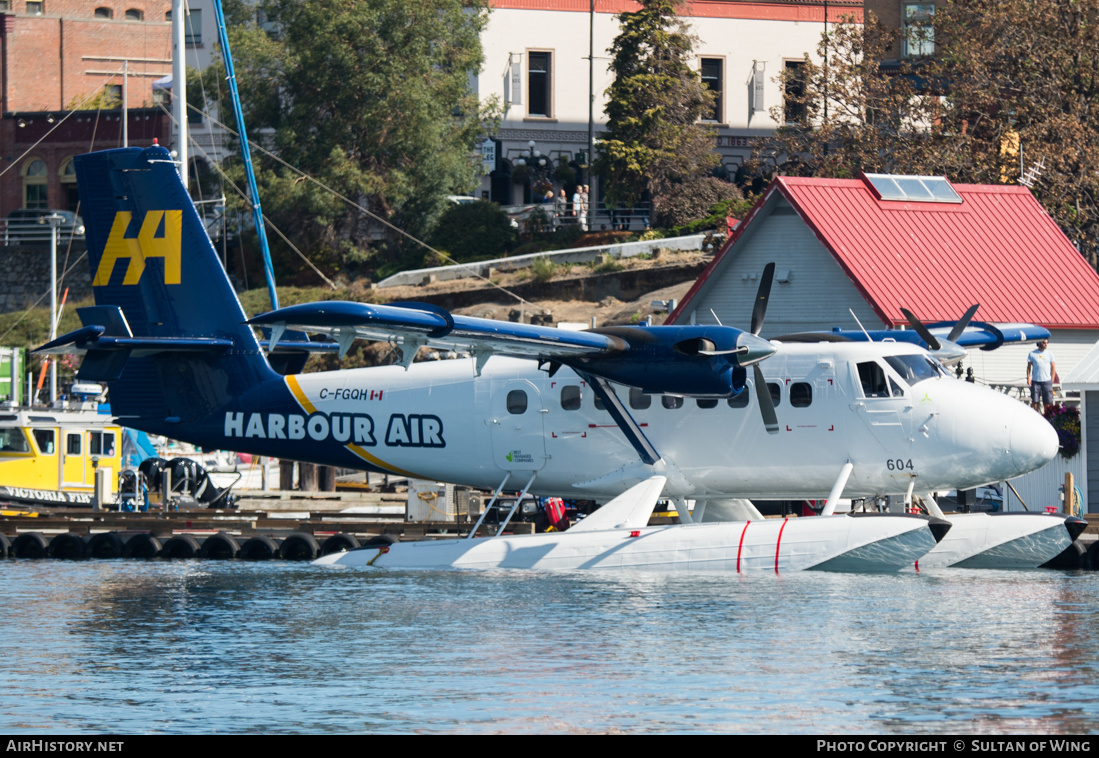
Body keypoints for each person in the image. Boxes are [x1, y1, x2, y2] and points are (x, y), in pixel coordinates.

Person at [1026, 339, 1056, 411]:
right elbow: (1029, 367)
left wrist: (1052, 379)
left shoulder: (1050, 354)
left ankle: (1047, 417)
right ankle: (1036, 417)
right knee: (1035, 401)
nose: (1045, 344)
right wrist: (1028, 378)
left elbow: (1053, 367)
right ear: (1039, 342)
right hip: (1036, 381)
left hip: (1047, 381)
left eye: (1046, 342)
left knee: (1047, 401)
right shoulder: (1032, 354)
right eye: (1044, 342)